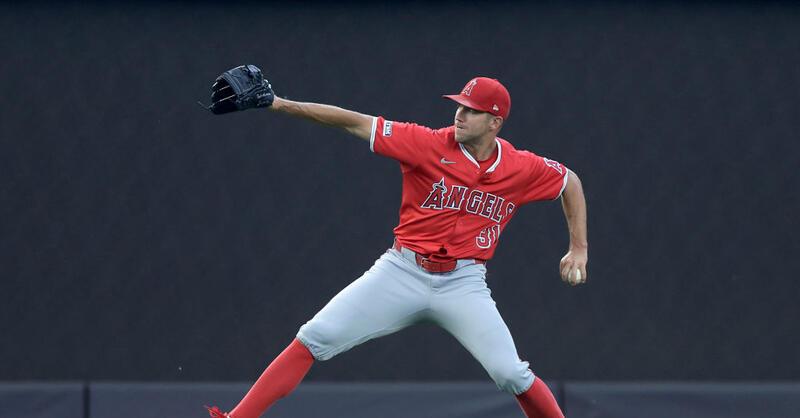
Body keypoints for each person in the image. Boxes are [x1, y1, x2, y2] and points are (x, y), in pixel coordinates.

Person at [206, 75, 588, 418]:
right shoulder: (424, 142)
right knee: (314, 336)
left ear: (494, 122)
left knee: (510, 372)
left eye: (471, 111)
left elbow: (568, 181)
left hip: (464, 282)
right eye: (459, 105)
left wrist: (578, 247)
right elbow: (353, 120)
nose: (459, 115)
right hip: (402, 270)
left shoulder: (520, 167)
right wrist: (278, 103)